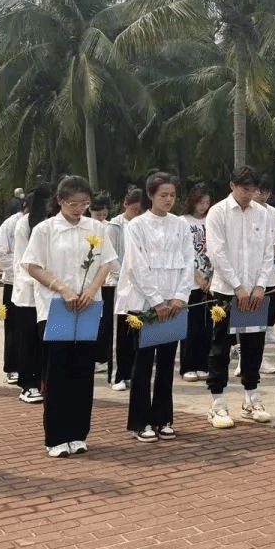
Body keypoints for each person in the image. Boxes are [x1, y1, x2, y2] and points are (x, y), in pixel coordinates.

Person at [22, 175, 117, 458]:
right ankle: (56, 436)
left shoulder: (96, 227)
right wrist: (62, 289)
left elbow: (106, 263)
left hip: (88, 304)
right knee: (58, 370)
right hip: (57, 306)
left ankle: (78, 433)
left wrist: (92, 289)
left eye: (84, 203)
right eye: (73, 203)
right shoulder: (45, 230)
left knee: (82, 370)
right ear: (60, 201)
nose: (79, 209)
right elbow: (32, 266)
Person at [116, 172, 193, 442]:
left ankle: (163, 417)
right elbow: (136, 265)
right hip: (145, 304)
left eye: (172, 195)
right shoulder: (136, 226)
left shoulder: (181, 225)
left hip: (173, 305)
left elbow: (189, 261)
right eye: (163, 195)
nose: (169, 200)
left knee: (167, 363)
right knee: (143, 363)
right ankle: (141, 421)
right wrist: (157, 300)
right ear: (150, 195)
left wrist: (179, 297)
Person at [204, 166, 275, 426]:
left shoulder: (262, 214)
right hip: (227, 290)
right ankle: (217, 402)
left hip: (255, 291)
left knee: (253, 343)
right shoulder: (218, 212)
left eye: (252, 190)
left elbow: (268, 251)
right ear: (232, 186)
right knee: (221, 345)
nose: (249, 195)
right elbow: (216, 252)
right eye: (244, 189)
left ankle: (251, 397)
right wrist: (237, 286)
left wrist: (260, 285)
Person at [11, 183, 53, 404]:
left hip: (51, 291)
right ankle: (27, 385)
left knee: (47, 342)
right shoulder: (24, 224)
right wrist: (41, 280)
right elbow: (23, 260)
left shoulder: (56, 223)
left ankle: (45, 382)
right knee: (28, 341)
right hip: (29, 292)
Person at [107, 189, 143, 390]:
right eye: (133, 208)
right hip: (119, 284)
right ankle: (117, 375)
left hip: (139, 285)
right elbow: (110, 255)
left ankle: (130, 372)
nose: (136, 212)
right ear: (125, 205)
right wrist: (124, 276)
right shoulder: (115, 226)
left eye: (139, 209)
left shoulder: (143, 224)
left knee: (135, 329)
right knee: (120, 331)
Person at [180, 185, 213, 382]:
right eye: (200, 202)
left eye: (207, 203)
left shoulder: (212, 221)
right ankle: (188, 366)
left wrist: (209, 276)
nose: (204, 206)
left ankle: (203, 364)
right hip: (190, 281)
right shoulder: (183, 222)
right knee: (190, 325)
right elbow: (183, 253)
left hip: (210, 280)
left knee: (207, 325)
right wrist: (196, 277)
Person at [0, 197, 26, 385]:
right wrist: (22, 271)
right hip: (13, 282)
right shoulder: (10, 224)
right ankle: (12, 367)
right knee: (13, 326)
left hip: (37, 285)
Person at [253, 176, 275, 346]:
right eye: (259, 191)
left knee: (271, 297)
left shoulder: (274, 213)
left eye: (265, 192)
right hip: (253, 265)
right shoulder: (248, 211)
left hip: (272, 262)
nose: (262, 195)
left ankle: (269, 329)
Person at [88, 194, 114, 378]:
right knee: (96, 321)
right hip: (91, 282)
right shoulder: (87, 227)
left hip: (108, 281)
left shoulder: (110, 227)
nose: (101, 215)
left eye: (104, 212)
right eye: (98, 212)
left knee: (106, 322)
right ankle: (95, 357)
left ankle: (103, 356)